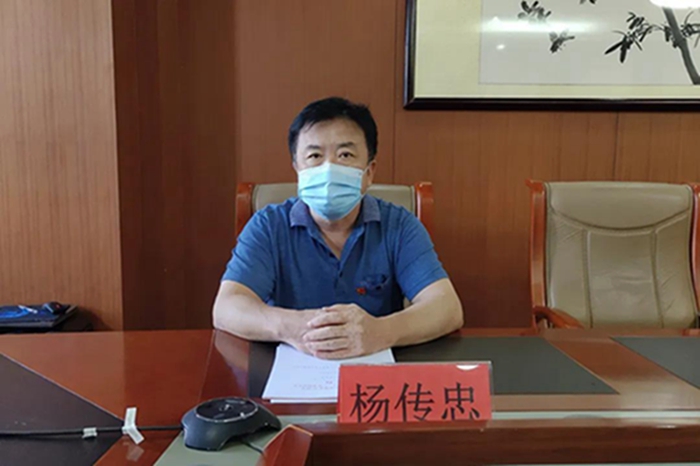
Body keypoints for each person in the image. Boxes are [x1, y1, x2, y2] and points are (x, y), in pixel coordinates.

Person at [213, 97, 463, 359]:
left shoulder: (400, 225)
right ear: (298, 169)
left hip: (374, 369)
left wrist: (381, 331)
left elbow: (447, 307)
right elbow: (227, 307)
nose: (329, 168)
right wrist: (294, 327)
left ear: (369, 172)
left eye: (345, 155)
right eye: (314, 156)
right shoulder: (268, 225)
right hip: (291, 369)